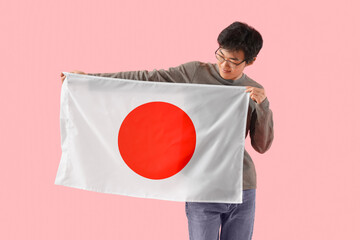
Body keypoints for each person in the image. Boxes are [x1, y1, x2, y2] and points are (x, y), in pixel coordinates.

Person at [60, 21, 274, 240]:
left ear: (251, 61)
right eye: (221, 55)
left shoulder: (252, 91)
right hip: (203, 185)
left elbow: (262, 145)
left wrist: (263, 105)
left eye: (233, 61)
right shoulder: (195, 73)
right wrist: (88, 79)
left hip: (243, 187)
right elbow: (146, 79)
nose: (224, 65)